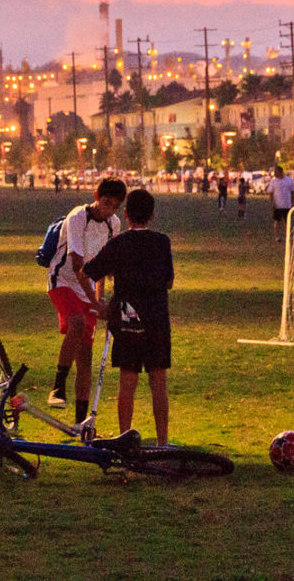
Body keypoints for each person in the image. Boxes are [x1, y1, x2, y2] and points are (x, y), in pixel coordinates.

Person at [81, 188, 174, 445]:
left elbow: (86, 272)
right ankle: (163, 442)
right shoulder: (162, 242)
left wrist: (97, 304)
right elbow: (169, 282)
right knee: (158, 381)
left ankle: (125, 438)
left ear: (126, 214)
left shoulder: (118, 243)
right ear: (152, 215)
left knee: (128, 381)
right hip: (156, 317)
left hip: (126, 316)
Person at [45, 177, 126, 421]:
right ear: (95, 195)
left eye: (114, 206)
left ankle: (81, 422)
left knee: (86, 356)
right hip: (62, 281)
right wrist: (94, 303)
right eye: (105, 203)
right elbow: (79, 266)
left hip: (87, 288)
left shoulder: (114, 224)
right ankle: (58, 386)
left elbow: (103, 268)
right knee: (77, 323)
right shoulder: (77, 217)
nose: (108, 210)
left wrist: (101, 300)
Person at [270, 165, 294, 235]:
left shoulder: (289, 180)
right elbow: (271, 193)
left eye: (276, 172)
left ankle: (288, 235)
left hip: (287, 205)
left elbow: (292, 191)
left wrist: (292, 201)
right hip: (278, 205)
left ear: (281, 172)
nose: (274, 173)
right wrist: (272, 202)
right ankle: (277, 236)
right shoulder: (273, 181)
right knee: (277, 221)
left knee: (287, 221)